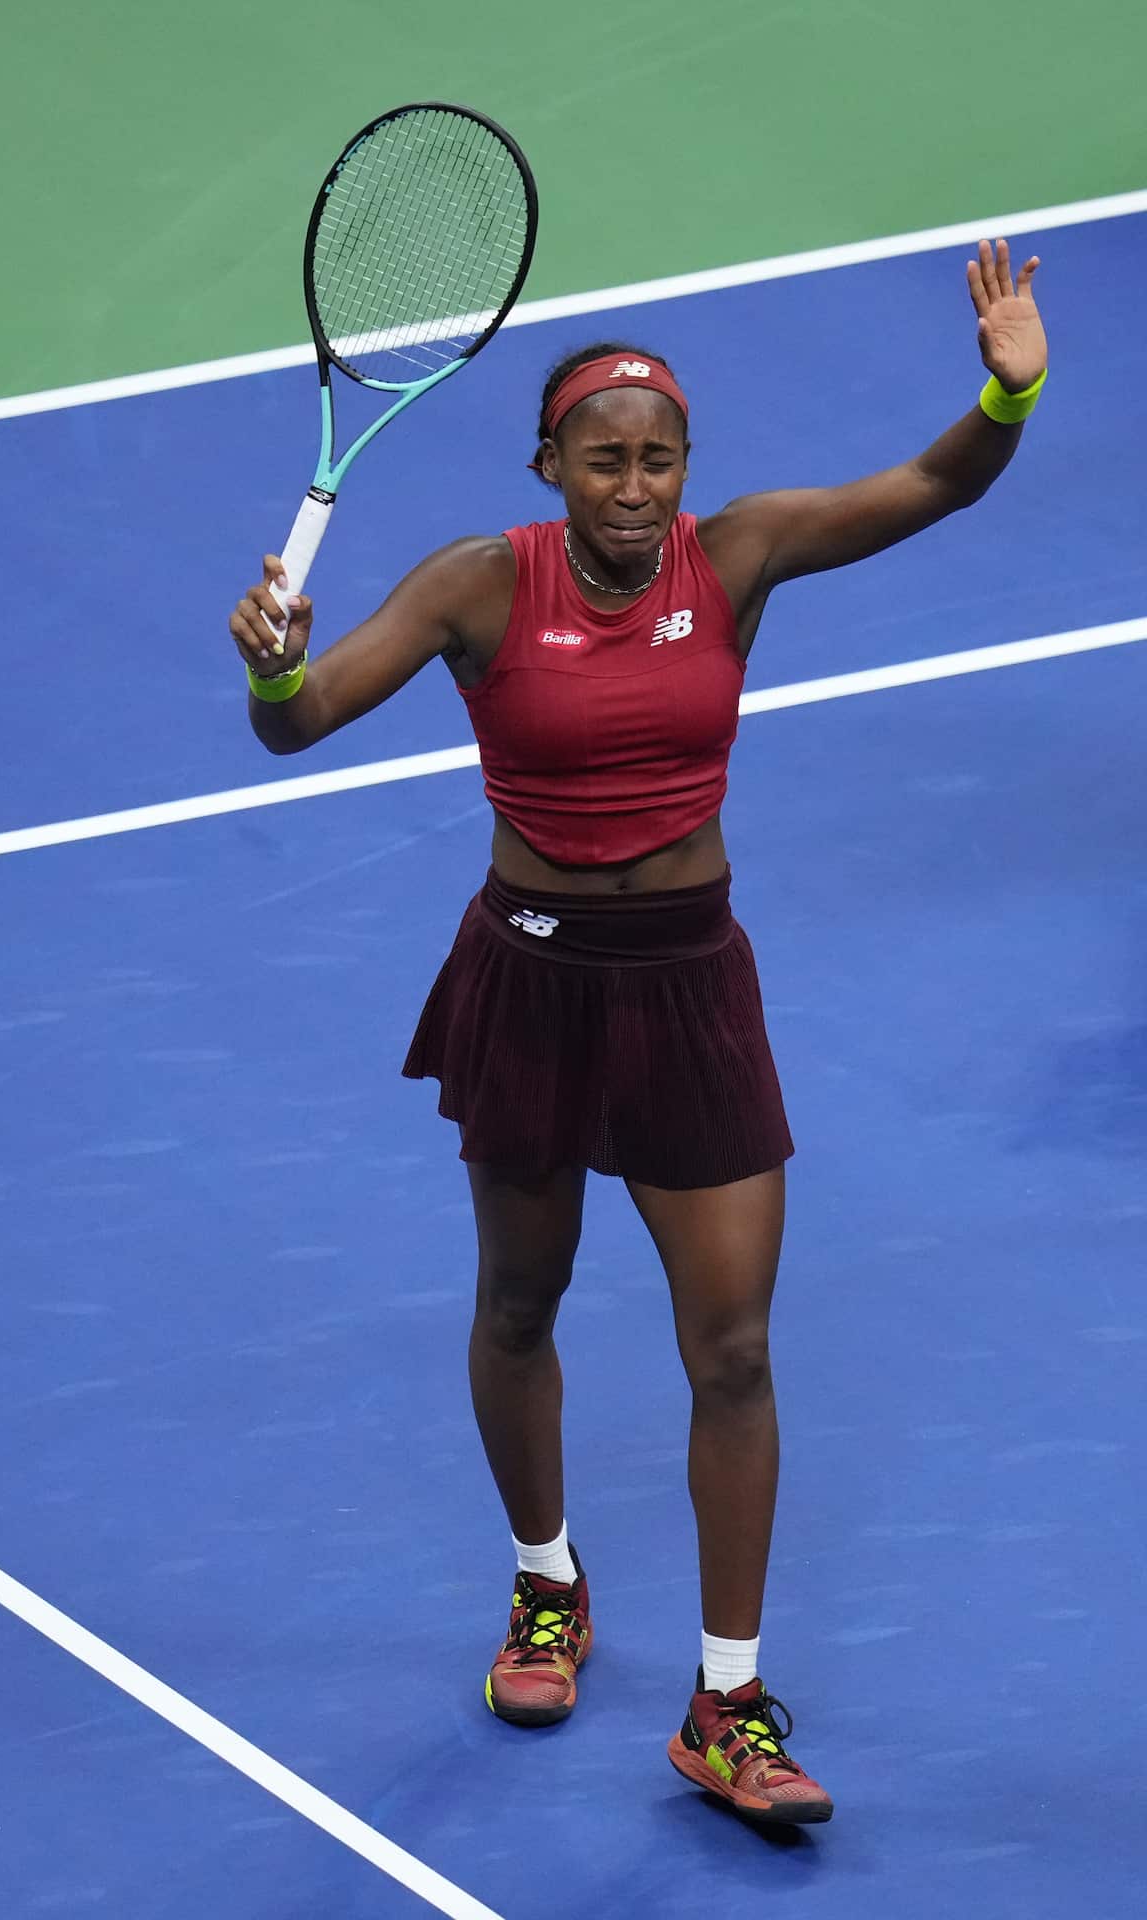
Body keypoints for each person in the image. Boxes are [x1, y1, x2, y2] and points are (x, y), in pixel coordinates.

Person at [228, 238, 1048, 1825]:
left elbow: (935, 486)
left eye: (658, 457)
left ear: (688, 467)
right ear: (549, 464)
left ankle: (725, 1705)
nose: (633, 485)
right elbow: (304, 718)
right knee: (521, 1304)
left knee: (733, 1346)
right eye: (603, 458)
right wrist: (273, 671)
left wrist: (1006, 388)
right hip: (530, 978)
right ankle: (549, 1584)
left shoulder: (735, 559)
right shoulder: (480, 582)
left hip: (690, 985)